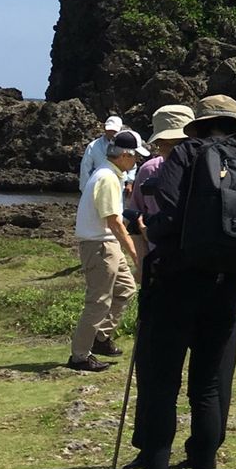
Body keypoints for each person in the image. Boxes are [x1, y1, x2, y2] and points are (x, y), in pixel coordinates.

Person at [122, 94, 236, 469]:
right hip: (226, 285)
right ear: (234, 125)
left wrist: (148, 231)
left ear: (199, 124)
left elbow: (167, 218)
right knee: (208, 386)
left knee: (161, 385)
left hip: (177, 281)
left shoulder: (184, 153)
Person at [69, 129, 145, 372]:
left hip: (105, 243)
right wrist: (135, 254)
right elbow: (114, 221)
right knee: (98, 301)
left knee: (125, 288)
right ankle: (80, 355)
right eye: (135, 157)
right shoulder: (108, 178)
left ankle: (100, 338)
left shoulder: (109, 174)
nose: (136, 162)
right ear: (124, 155)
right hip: (100, 244)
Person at [79, 115, 124, 189]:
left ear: (121, 129)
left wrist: (130, 181)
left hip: (118, 185)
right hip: (97, 185)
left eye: (114, 131)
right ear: (104, 128)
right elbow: (85, 169)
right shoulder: (93, 146)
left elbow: (132, 165)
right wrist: (85, 189)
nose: (111, 133)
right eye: (109, 130)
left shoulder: (125, 145)